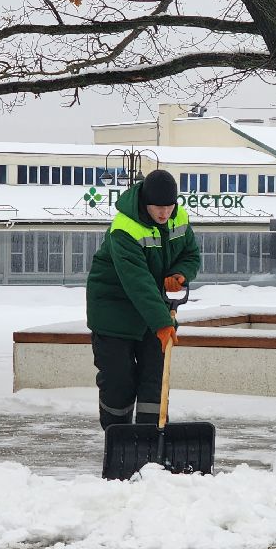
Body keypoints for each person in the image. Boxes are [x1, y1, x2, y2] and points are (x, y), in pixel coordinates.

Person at [85, 169, 201, 429]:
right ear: (145, 202)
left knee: (155, 377)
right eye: (157, 208)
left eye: (169, 207)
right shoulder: (124, 228)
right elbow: (137, 281)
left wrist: (179, 274)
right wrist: (162, 322)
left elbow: (191, 254)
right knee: (118, 380)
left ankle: (151, 434)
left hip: (153, 310)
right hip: (114, 311)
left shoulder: (179, 218)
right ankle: (118, 434)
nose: (164, 214)